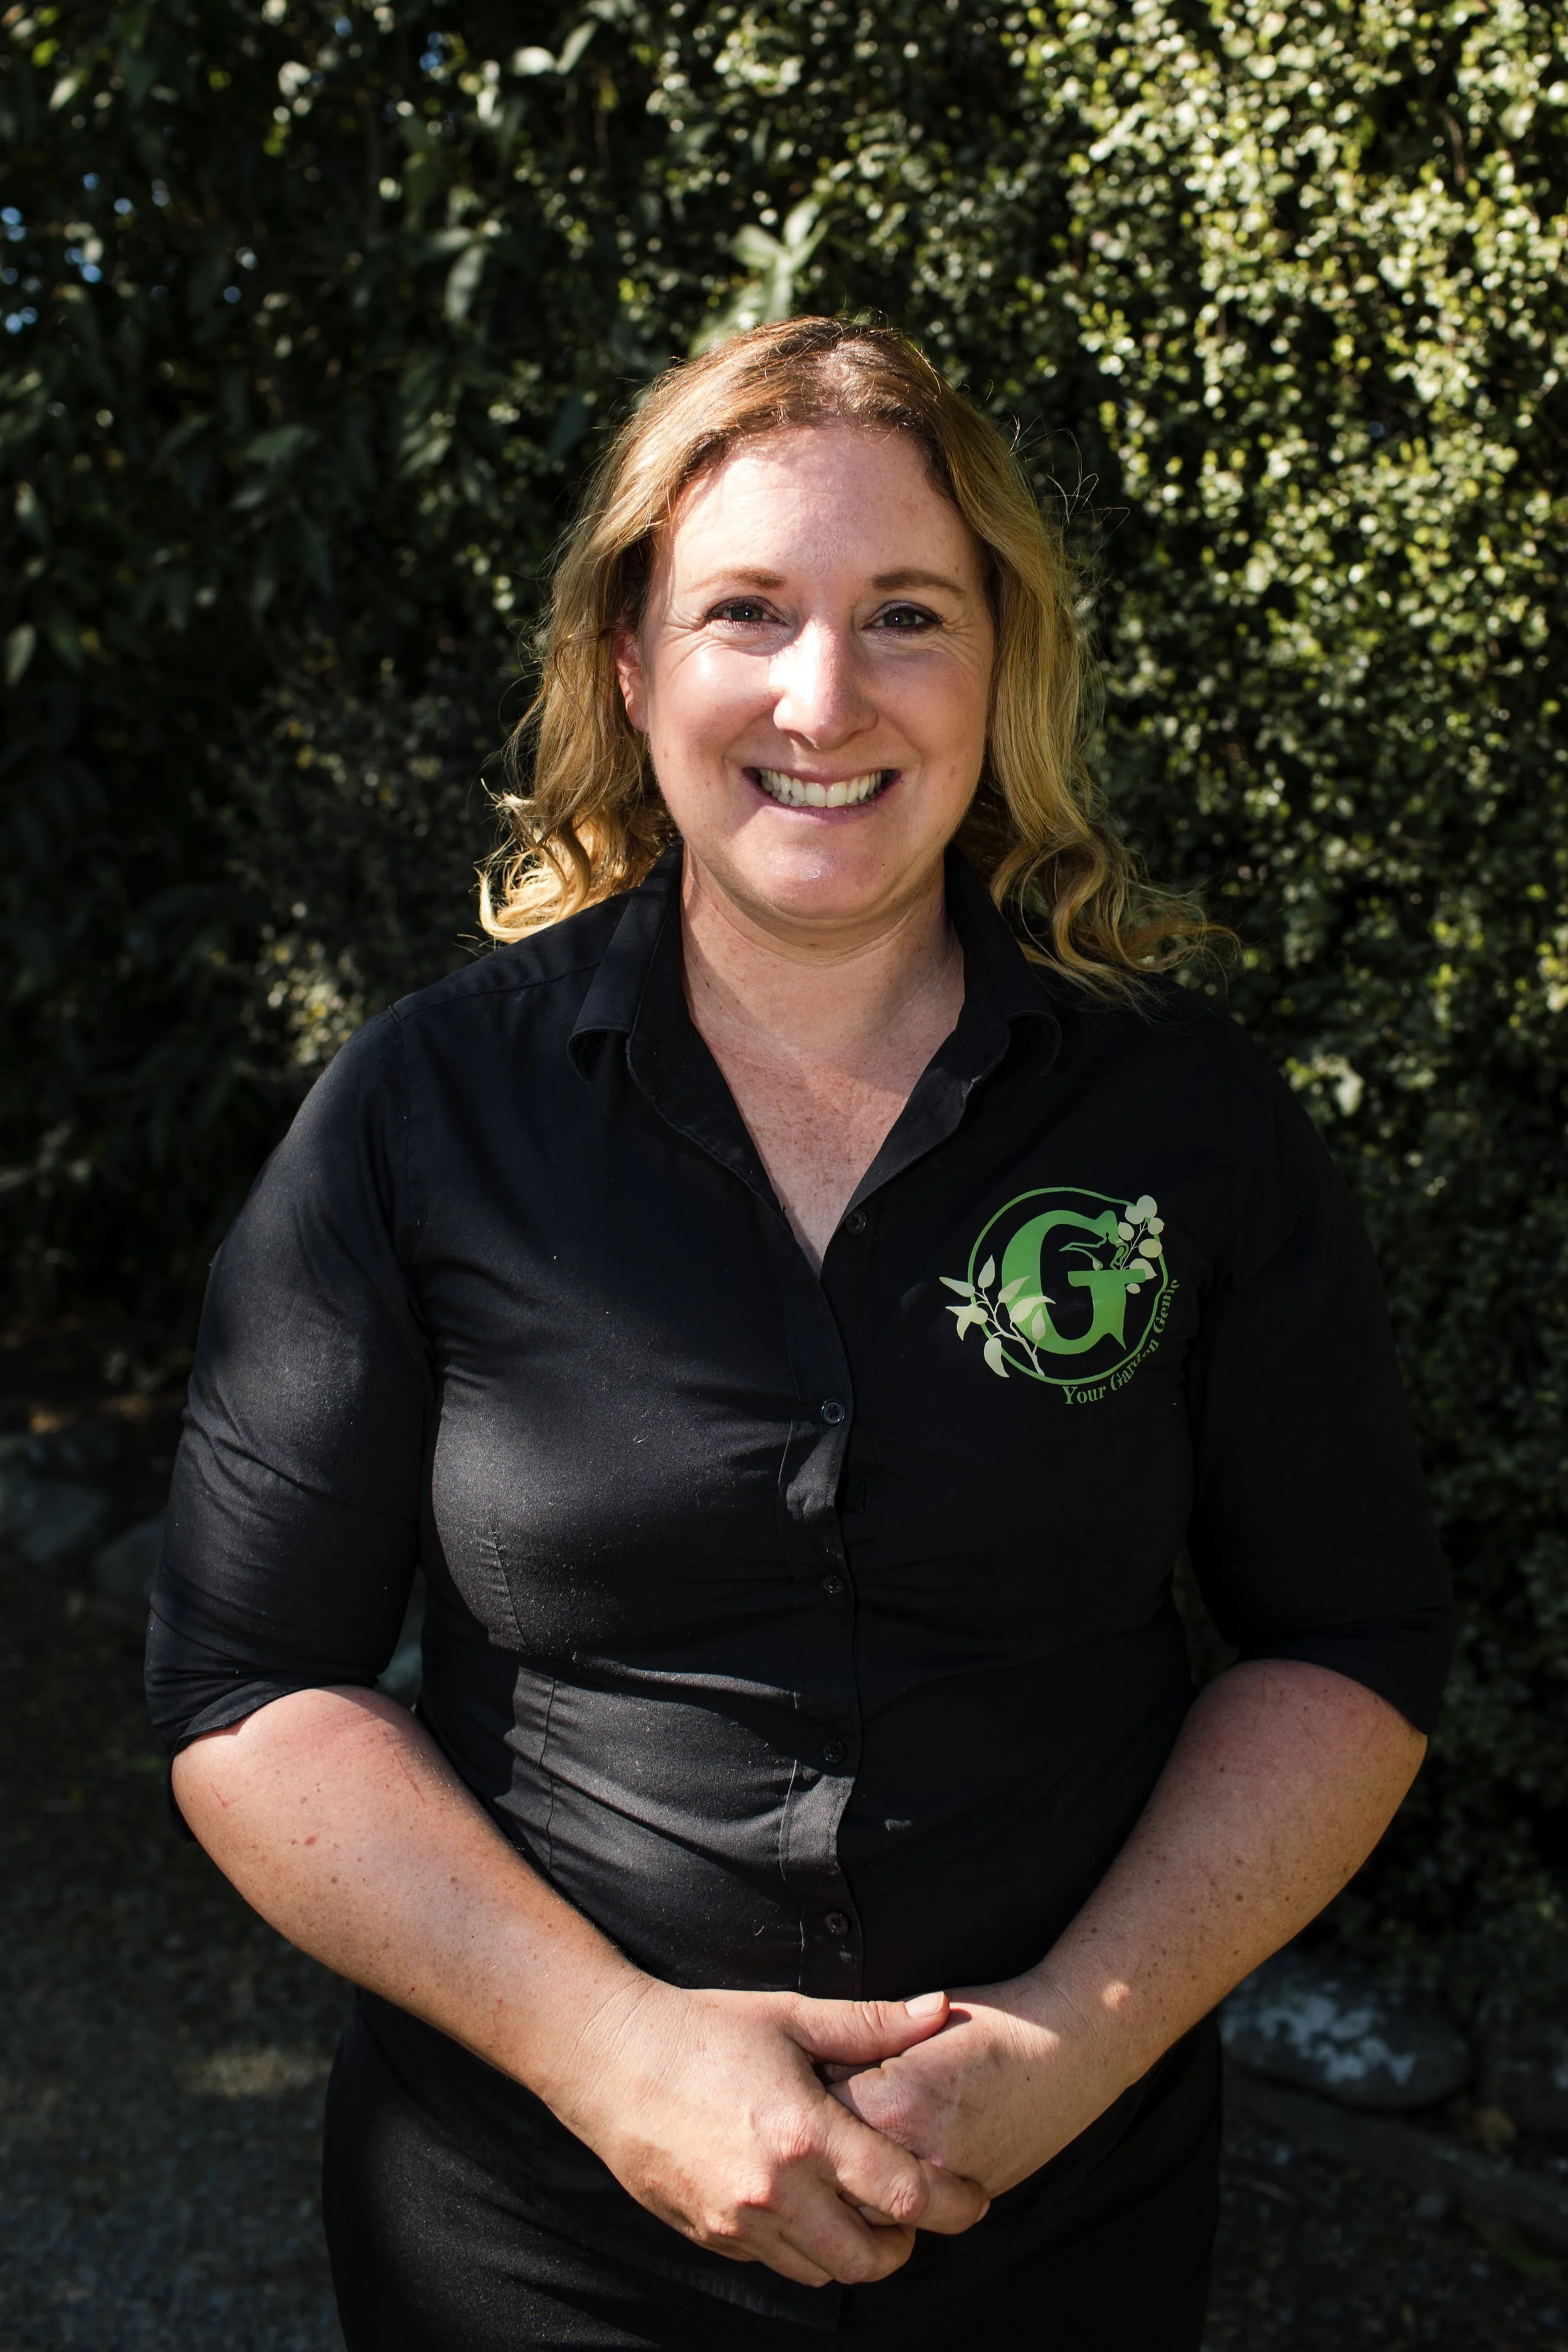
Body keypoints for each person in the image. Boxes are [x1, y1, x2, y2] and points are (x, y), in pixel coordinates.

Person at [146, 317, 1456, 2351]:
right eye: (745, 609)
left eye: (905, 614)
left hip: (1058, 2227)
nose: (822, 695)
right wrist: (612, 2055)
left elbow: (1345, 1638)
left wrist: (1064, 2051)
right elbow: (245, 1685)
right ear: (631, 666)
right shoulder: (422, 1117)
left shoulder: (1182, 1120)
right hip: (531, 2236)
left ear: (1000, 662)